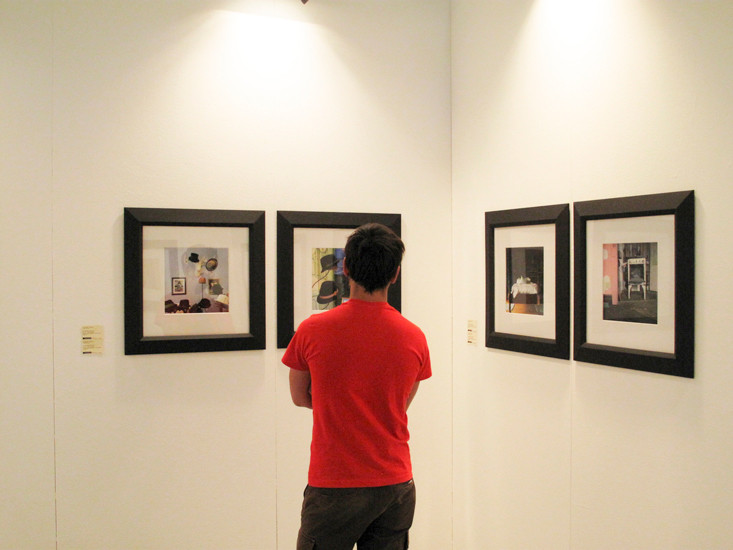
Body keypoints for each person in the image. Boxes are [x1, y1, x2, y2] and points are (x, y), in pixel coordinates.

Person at [282, 223, 432, 550]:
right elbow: (399, 403)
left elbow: (299, 396)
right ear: (395, 274)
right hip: (395, 484)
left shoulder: (312, 330)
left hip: (333, 483)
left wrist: (336, 402)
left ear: (346, 268)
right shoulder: (414, 336)